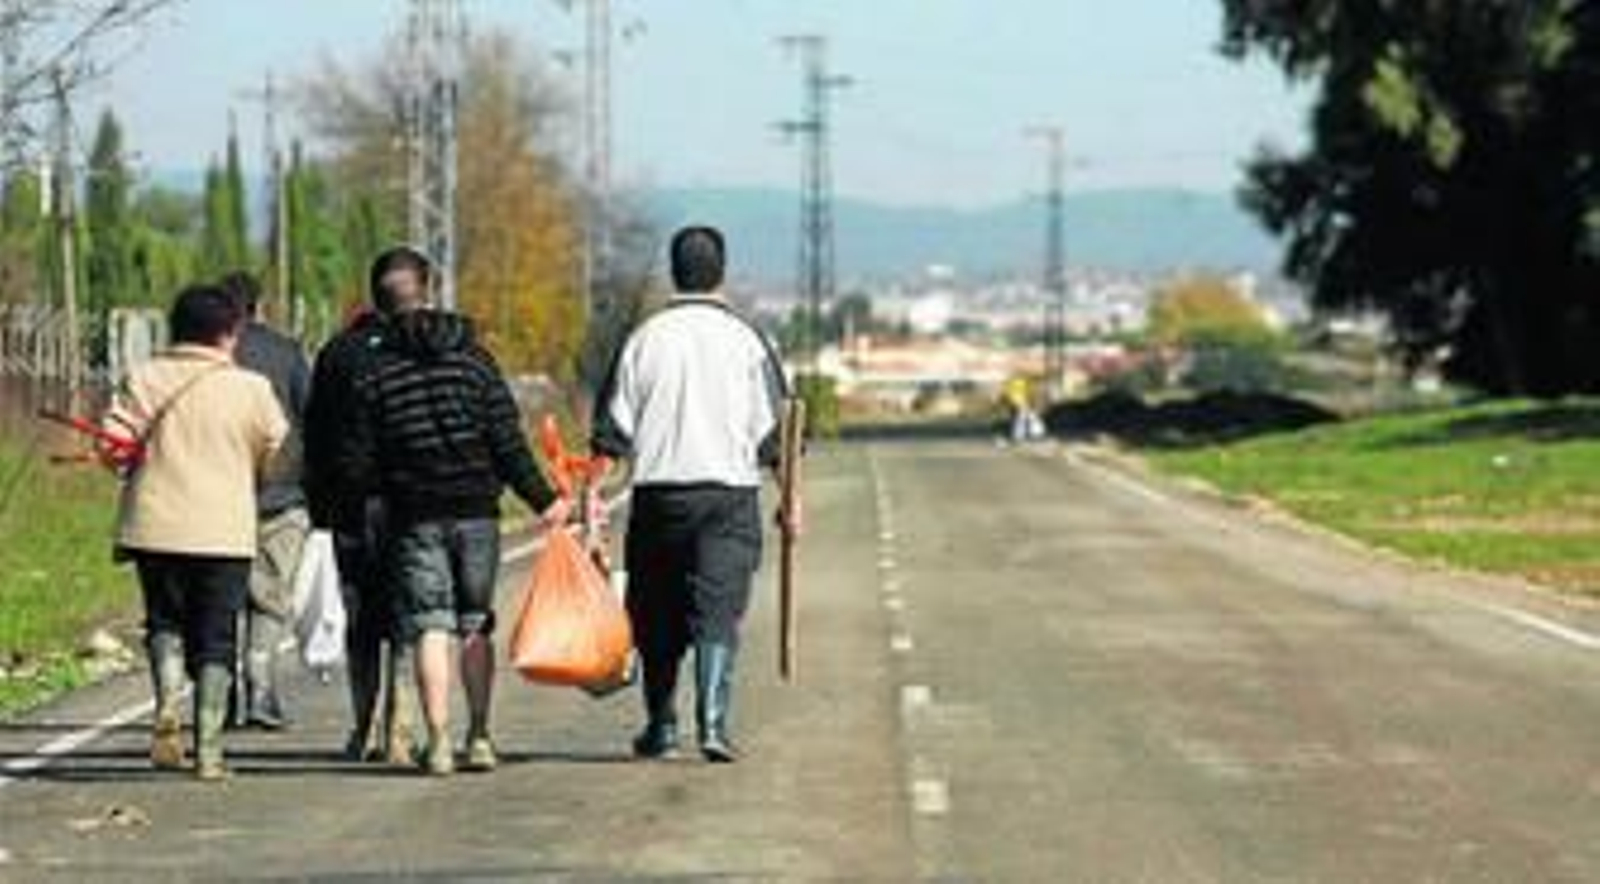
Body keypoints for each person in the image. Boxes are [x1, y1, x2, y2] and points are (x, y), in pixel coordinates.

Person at [339, 246, 568, 777]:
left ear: (379, 301)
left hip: (414, 516)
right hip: (477, 514)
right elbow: (506, 441)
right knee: (474, 624)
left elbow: (359, 460)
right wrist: (545, 500)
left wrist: (366, 505)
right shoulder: (474, 359)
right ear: (428, 290)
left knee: (429, 626)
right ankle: (481, 734)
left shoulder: (374, 372)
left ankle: (439, 739)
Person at [592, 226, 801, 764]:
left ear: (674, 270)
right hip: (728, 496)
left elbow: (612, 431)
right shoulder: (749, 342)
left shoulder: (644, 338)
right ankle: (713, 723)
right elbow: (779, 435)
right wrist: (790, 500)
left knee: (655, 615)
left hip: (660, 496)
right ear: (721, 273)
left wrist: (593, 497)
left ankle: (661, 726)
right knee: (718, 610)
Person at [106, 284, 289, 781]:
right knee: (216, 637)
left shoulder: (143, 378)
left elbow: (114, 447)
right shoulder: (251, 388)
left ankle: (167, 703)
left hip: (154, 525)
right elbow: (276, 450)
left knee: (164, 620)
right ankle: (208, 748)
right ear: (230, 334)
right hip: (224, 529)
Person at [304, 285, 415, 763]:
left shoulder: (337, 353)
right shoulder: (424, 349)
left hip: (351, 504)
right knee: (410, 617)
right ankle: (402, 727)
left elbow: (315, 434)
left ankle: (364, 725)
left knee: (361, 621)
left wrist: (318, 508)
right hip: (412, 503)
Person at [219, 271, 311, 730]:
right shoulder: (287, 353)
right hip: (281, 493)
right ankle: (260, 685)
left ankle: (222, 692)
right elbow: (309, 421)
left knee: (223, 597)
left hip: (216, 497)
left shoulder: (210, 356)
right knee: (270, 597)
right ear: (258, 307)